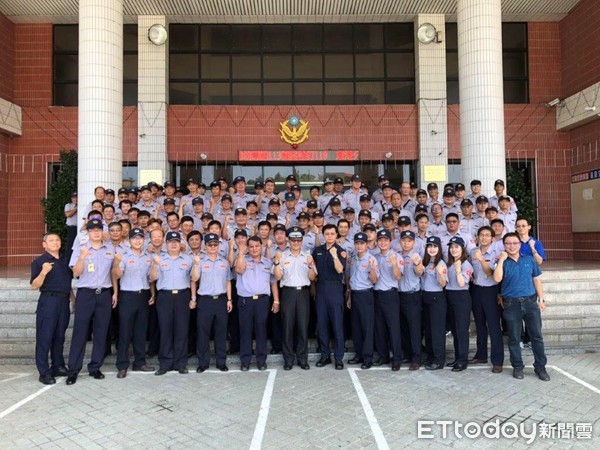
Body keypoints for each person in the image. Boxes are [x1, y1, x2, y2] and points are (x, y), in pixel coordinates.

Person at [66, 219, 117, 385]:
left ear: (102, 231)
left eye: (98, 229)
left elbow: (114, 274)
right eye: (92, 229)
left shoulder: (110, 248)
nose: (96, 232)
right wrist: (81, 257)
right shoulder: (81, 248)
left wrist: (115, 292)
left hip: (104, 294)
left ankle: (95, 367)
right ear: (87, 232)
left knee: (101, 332)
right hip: (86, 294)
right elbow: (75, 273)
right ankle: (73, 370)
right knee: (80, 332)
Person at [493, 232, 550, 381]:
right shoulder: (501, 261)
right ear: (504, 245)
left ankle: (540, 367)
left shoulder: (529, 260)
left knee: (536, 336)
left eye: (515, 243)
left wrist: (541, 300)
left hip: (530, 302)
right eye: (508, 243)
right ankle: (517, 366)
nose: (512, 246)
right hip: (511, 304)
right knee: (514, 338)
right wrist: (501, 260)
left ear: (520, 245)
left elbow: (537, 280)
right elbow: (497, 278)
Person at [150, 231, 196, 376]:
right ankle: (165, 363)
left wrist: (193, 298)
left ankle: (180, 363)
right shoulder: (159, 259)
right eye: (171, 242)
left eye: (176, 241)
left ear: (180, 244)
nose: (174, 244)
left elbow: (193, 280)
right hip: (165, 297)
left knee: (182, 331)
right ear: (166, 244)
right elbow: (152, 278)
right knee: (165, 330)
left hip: (183, 296)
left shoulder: (188, 260)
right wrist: (155, 265)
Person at [30, 233, 74, 385]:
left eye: (57, 240)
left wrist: (73, 300)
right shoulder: (40, 262)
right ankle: (44, 372)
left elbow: (67, 283)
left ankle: (58, 366)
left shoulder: (64, 261)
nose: (55, 243)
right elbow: (34, 285)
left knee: (59, 336)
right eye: (51, 240)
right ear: (44, 244)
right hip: (48, 302)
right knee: (45, 337)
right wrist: (43, 272)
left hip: (63, 301)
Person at [111, 227, 155, 378]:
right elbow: (116, 275)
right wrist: (116, 263)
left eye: (140, 238)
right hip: (127, 296)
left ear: (144, 240)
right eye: (134, 238)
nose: (137, 240)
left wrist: (153, 294)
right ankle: (122, 365)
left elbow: (151, 280)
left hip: (143, 296)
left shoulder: (148, 257)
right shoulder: (123, 256)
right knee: (125, 332)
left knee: (140, 332)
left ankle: (139, 362)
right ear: (129, 240)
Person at [273, 227, 317, 370]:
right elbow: (278, 277)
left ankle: (302, 359)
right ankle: (288, 359)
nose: (296, 242)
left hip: (303, 293)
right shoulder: (283, 256)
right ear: (289, 240)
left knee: (302, 327)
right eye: (293, 240)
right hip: (288, 293)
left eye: (298, 240)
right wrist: (277, 262)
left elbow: (312, 278)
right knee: (287, 327)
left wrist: (311, 265)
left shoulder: (307, 256)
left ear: (302, 241)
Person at [235, 235, 279, 371]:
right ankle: (245, 361)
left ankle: (261, 360)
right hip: (245, 301)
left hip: (262, 301)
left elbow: (273, 283)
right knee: (245, 330)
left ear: (261, 247)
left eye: (257, 246)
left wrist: (276, 300)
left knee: (261, 330)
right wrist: (241, 254)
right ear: (248, 248)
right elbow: (239, 270)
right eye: (251, 246)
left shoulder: (267, 263)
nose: (254, 249)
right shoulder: (241, 260)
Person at [192, 233, 233, 373]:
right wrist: (197, 265)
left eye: (215, 244)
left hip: (221, 300)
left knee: (221, 333)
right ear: (206, 246)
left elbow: (228, 281)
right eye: (210, 245)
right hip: (205, 300)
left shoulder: (224, 262)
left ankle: (221, 362)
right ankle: (203, 363)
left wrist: (229, 299)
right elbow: (194, 279)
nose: (213, 247)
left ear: (219, 246)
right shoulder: (200, 261)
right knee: (203, 333)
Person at [312, 224, 347, 370]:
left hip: (335, 289)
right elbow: (313, 271)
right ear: (323, 235)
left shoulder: (341, 251)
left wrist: (334, 256)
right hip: (321, 288)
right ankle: (325, 355)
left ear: (336, 235)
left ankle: (338, 358)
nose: (330, 236)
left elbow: (340, 270)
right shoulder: (317, 250)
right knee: (323, 324)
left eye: (332, 233)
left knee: (337, 324)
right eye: (327, 234)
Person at [469, 226, 504, 373]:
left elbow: (490, 273)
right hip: (476, 290)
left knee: (494, 326)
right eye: (481, 235)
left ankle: (497, 360)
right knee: (479, 324)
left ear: (492, 238)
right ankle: (481, 355)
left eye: (487, 235)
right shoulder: (472, 252)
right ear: (477, 237)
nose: (483, 238)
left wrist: (482, 260)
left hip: (491, 291)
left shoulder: (496, 254)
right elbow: (470, 269)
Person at [346, 232, 379, 370]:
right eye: (357, 243)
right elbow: (348, 276)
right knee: (356, 327)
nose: (359, 246)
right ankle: (359, 354)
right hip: (354, 294)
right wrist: (348, 295)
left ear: (366, 245)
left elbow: (374, 280)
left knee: (367, 327)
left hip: (366, 295)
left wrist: (371, 268)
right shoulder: (352, 258)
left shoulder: (371, 259)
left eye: (362, 243)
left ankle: (367, 357)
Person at [373, 230, 402, 371]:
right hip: (377, 295)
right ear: (377, 242)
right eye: (380, 240)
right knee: (379, 328)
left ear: (390, 242)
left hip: (390, 295)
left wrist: (395, 264)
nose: (383, 242)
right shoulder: (375, 257)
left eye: (386, 240)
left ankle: (396, 358)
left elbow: (398, 277)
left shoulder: (396, 256)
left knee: (393, 327)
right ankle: (383, 356)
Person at [444, 236, 473, 372]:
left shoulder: (466, 264)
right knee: (455, 330)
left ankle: (463, 360)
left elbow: (462, 283)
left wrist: (458, 270)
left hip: (461, 297)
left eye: (456, 247)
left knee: (462, 331)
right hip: (450, 296)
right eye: (451, 247)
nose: (453, 249)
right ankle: (457, 358)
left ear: (462, 249)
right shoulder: (449, 263)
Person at [421, 236, 447, 370]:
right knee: (429, 330)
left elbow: (443, 284)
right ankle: (431, 357)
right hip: (425, 297)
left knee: (437, 331)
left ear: (439, 248)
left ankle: (439, 360)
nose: (432, 249)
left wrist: (440, 274)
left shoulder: (440, 263)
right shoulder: (425, 262)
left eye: (434, 246)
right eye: (429, 246)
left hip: (436, 298)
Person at [64, 192, 78, 261]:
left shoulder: (82, 204)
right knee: (70, 245)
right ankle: (68, 260)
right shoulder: (68, 205)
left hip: (79, 228)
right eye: (73, 197)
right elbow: (68, 214)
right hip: (71, 228)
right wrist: (76, 208)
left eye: (76, 197)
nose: (75, 199)